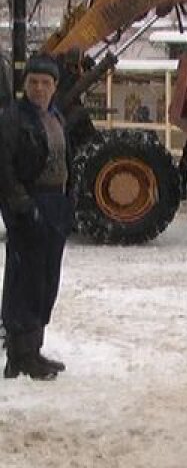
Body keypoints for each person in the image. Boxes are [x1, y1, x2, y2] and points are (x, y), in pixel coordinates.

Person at [0, 54, 73, 380]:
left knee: (46, 280)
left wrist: (68, 201)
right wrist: (22, 206)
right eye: (33, 83)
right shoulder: (14, 119)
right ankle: (19, 355)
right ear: (24, 85)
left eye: (46, 83)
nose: (40, 88)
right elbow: (4, 168)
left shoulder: (56, 116)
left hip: (55, 205)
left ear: (55, 87)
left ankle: (35, 349)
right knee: (24, 282)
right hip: (30, 205)